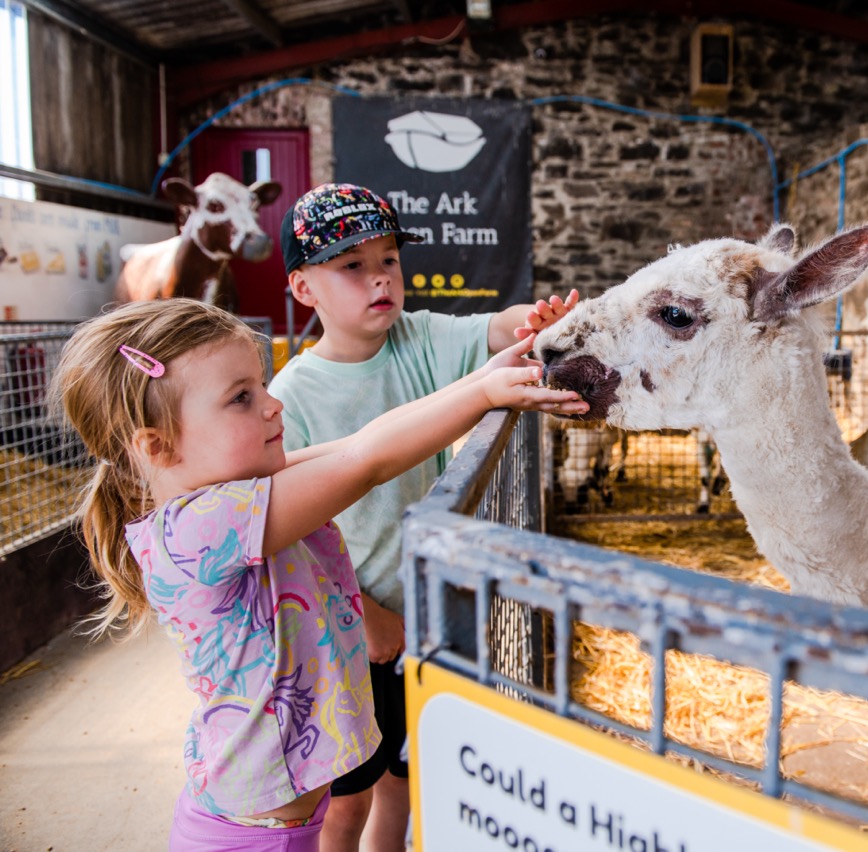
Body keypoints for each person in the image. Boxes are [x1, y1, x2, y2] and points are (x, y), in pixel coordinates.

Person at [51, 298, 586, 852]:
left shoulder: (239, 494)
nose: (272, 404)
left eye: (260, 385)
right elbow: (364, 462)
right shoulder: (201, 526)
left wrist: (484, 378)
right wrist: (482, 394)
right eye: (241, 398)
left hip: (274, 819)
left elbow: (363, 441)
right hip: (253, 836)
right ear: (158, 446)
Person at [268, 183, 579, 851]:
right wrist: (363, 614)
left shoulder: (418, 337)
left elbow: (497, 328)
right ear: (305, 291)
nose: (379, 278)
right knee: (346, 801)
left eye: (389, 260)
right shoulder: (290, 398)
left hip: (424, 606)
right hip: (346, 632)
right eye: (352, 266)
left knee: (406, 776)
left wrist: (538, 321)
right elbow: (285, 537)